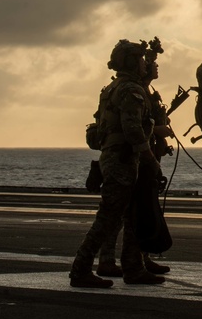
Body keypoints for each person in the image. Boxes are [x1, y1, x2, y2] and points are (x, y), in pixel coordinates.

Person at [68, 40, 165, 288]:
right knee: (109, 217)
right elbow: (133, 130)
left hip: (118, 157)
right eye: (141, 60)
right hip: (123, 159)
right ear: (133, 62)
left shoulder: (114, 87)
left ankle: (133, 268)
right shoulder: (130, 90)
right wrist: (150, 159)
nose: (145, 63)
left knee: (132, 215)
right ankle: (81, 269)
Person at [96, 38, 173, 278]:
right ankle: (109, 260)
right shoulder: (130, 90)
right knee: (118, 214)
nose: (152, 66)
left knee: (138, 212)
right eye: (147, 62)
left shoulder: (141, 91)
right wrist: (155, 135)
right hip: (129, 155)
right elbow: (132, 128)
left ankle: (139, 258)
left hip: (135, 154)